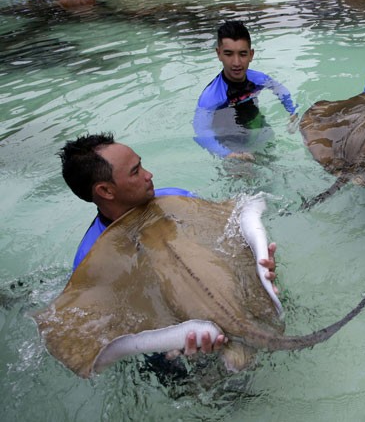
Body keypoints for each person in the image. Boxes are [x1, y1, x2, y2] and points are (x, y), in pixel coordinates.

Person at [59, 132, 279, 357]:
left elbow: (229, 235)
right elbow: (95, 336)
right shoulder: (90, 259)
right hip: (173, 348)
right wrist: (171, 347)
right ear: (105, 190)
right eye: (136, 172)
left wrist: (258, 266)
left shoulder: (178, 197)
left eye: (141, 165)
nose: (148, 175)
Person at [193, 20, 298, 161]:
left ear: (251, 54)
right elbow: (202, 132)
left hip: (258, 128)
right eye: (229, 54)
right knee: (245, 174)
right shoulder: (211, 97)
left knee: (276, 165)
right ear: (219, 54)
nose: (236, 62)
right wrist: (227, 154)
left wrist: (292, 112)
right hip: (229, 142)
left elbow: (280, 89)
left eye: (242, 54)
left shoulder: (259, 79)